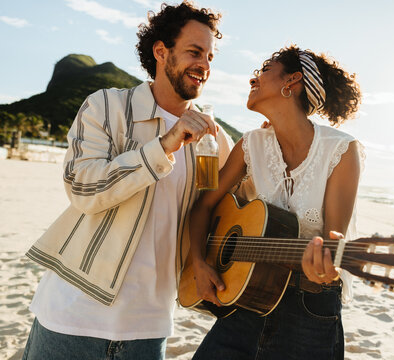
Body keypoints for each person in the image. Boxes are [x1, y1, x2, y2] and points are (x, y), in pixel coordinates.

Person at [22, 3, 233, 359]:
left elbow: (224, 215)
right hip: (72, 318)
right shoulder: (106, 107)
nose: (205, 66)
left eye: (210, 56)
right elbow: (82, 188)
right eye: (195, 52)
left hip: (149, 329)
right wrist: (164, 145)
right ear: (161, 51)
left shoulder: (216, 139)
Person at [189, 45, 364, 359]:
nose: (253, 79)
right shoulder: (251, 144)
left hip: (308, 310)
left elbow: (335, 245)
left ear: (292, 81)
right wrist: (200, 263)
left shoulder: (340, 151)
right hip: (246, 300)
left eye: (264, 70)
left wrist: (326, 269)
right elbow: (204, 205)